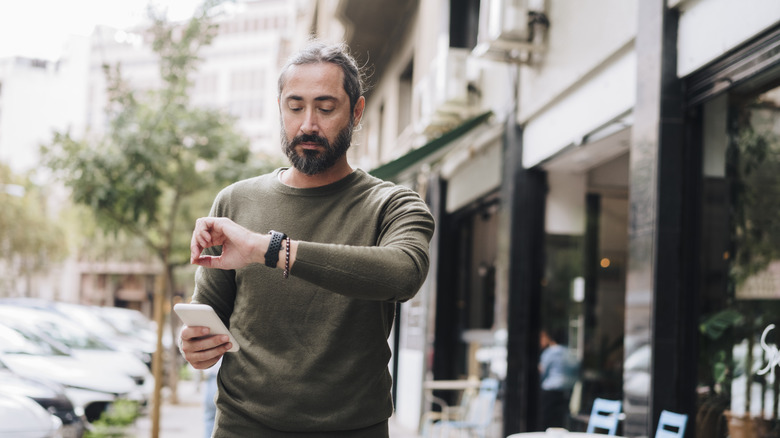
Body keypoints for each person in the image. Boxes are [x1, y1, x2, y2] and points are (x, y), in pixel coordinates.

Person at [179, 40, 435, 438]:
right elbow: (210, 316)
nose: (308, 124)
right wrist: (196, 345)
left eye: (326, 107)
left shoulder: (393, 204)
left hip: (354, 429)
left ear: (357, 111)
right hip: (243, 426)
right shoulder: (234, 201)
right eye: (295, 107)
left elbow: (403, 275)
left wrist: (269, 249)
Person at [538, 328, 579, 430]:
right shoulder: (570, 353)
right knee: (561, 419)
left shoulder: (550, 352)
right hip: (567, 389)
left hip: (551, 390)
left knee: (547, 419)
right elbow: (577, 370)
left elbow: (543, 372)